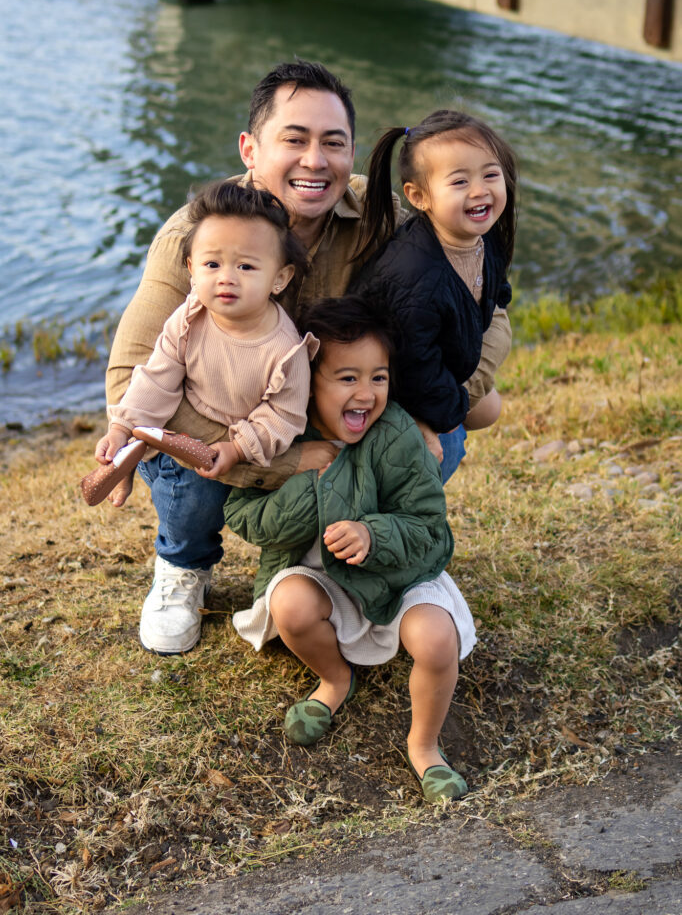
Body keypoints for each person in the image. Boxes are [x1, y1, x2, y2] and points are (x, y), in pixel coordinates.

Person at [105, 60, 506, 655]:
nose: (315, 161)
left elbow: (484, 309)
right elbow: (126, 381)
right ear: (250, 149)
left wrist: (442, 404)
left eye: (333, 143)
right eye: (294, 139)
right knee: (175, 453)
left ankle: (358, 552)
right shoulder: (197, 238)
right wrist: (281, 460)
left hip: (333, 408)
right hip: (224, 420)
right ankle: (184, 565)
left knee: (440, 437)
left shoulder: (385, 218)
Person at [224, 297, 476, 804]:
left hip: (398, 577)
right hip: (321, 580)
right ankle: (335, 681)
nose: (366, 393)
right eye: (347, 378)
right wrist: (306, 473)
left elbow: (431, 530)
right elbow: (241, 515)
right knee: (290, 603)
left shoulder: (397, 434)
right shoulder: (280, 435)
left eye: (378, 377)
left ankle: (424, 745)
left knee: (434, 640)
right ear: (306, 382)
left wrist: (373, 534)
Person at [95, 182, 316, 652]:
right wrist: (121, 425)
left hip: (242, 447)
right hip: (181, 446)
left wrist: (236, 448)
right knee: (190, 501)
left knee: (270, 499)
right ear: (191, 269)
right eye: (212, 264)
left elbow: (283, 417)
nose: (227, 278)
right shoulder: (188, 318)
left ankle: (292, 570)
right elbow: (156, 377)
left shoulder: (285, 349)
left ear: (280, 277)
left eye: (247, 266)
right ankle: (182, 564)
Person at [356, 110, 517, 482]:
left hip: (436, 364)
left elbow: (496, 290)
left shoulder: (483, 235)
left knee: (490, 408)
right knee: (447, 438)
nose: (480, 191)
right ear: (419, 196)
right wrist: (453, 408)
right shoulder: (416, 275)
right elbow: (413, 369)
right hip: (385, 386)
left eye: (490, 175)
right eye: (460, 181)